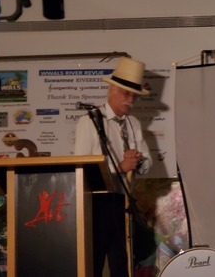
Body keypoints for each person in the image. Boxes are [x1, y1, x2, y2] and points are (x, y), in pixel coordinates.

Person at [74, 56, 152, 277]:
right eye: (126, 94)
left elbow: (147, 163)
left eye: (134, 96)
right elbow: (82, 169)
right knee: (93, 263)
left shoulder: (133, 123)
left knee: (122, 265)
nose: (130, 101)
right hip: (96, 205)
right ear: (112, 90)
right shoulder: (89, 121)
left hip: (122, 202)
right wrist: (119, 166)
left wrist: (137, 161)